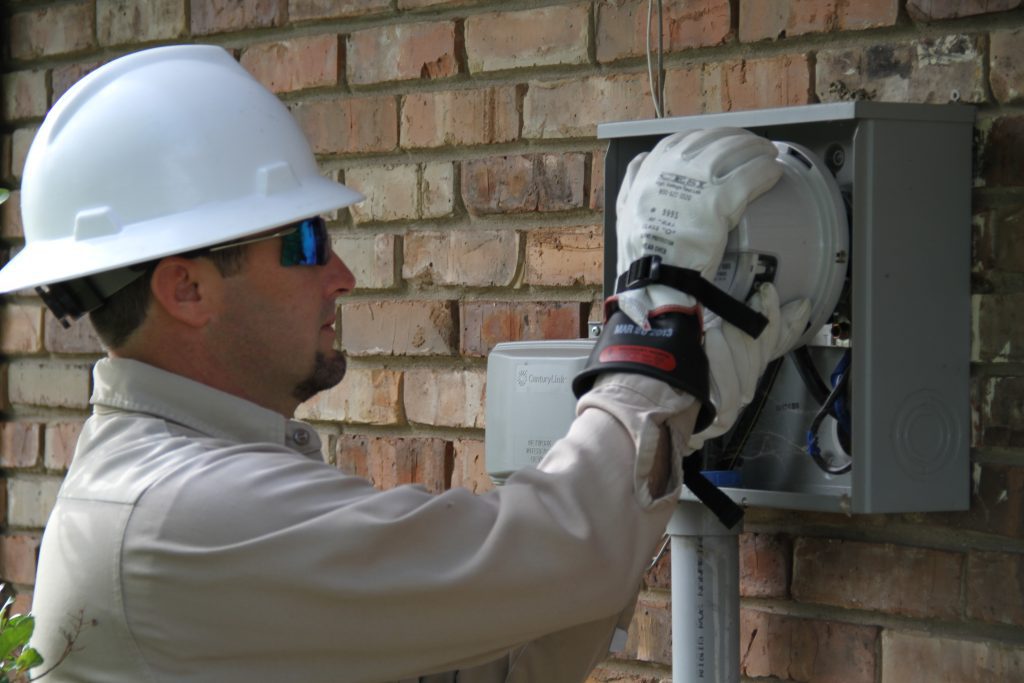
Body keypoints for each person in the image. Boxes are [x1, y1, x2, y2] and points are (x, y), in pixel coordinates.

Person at [0, 45, 807, 682]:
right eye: (307, 241)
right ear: (187, 287)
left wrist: (662, 413)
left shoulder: (166, 485)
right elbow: (556, 551)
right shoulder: (182, 513)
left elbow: (483, 665)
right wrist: (654, 335)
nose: (342, 274)